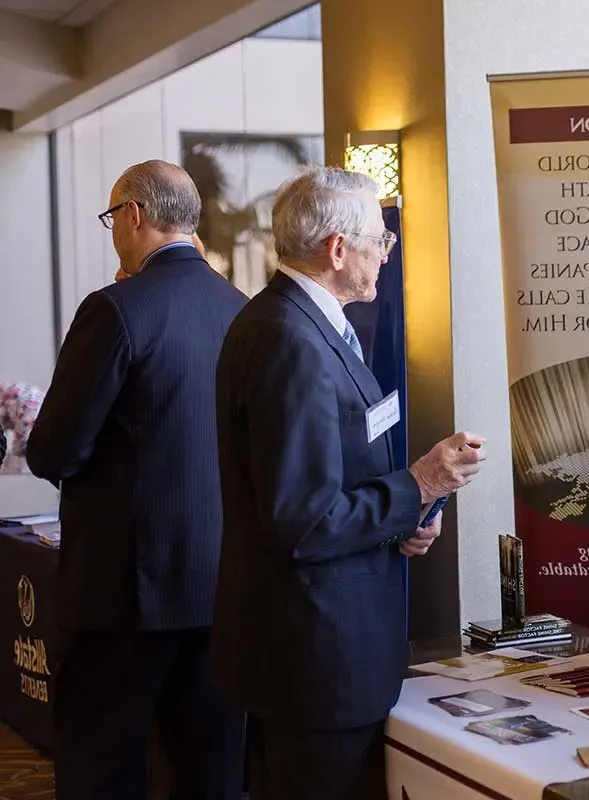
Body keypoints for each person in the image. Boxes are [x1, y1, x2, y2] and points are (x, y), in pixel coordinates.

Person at [210, 166, 486, 799]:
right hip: (316, 654)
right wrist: (417, 484)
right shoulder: (291, 339)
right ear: (338, 248)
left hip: (318, 644)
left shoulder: (302, 321)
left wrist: (407, 517)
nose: (387, 252)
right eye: (380, 238)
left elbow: (331, 472)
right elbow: (303, 520)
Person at [25, 160, 247, 800]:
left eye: (111, 218)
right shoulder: (243, 310)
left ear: (134, 215)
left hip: (124, 596)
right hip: (220, 590)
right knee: (211, 773)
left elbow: (54, 452)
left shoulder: (115, 309)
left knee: (103, 769)